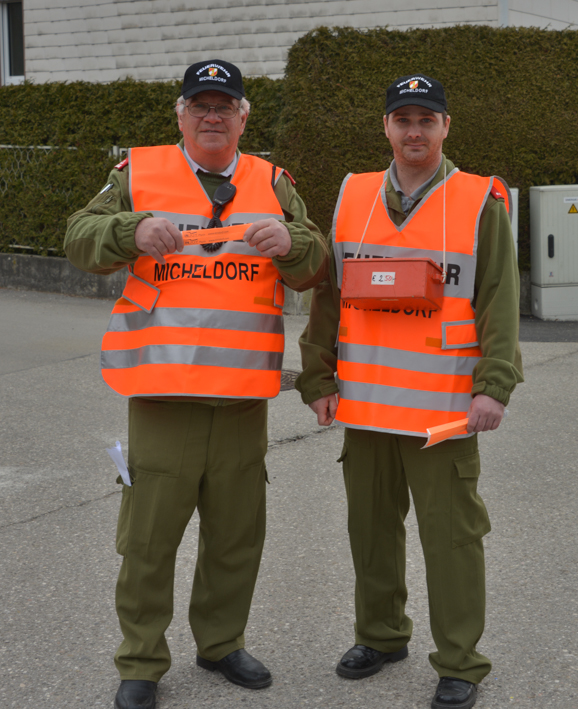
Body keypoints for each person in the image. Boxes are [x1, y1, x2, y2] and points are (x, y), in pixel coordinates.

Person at [64, 59, 328, 709]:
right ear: (180, 115)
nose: (213, 115)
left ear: (244, 117)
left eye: (225, 105)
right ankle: (141, 661)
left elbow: (317, 257)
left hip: (240, 398)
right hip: (163, 395)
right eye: (200, 105)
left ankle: (221, 643)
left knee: (236, 536)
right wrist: (131, 229)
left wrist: (290, 242)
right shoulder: (140, 174)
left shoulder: (273, 182)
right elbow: (79, 238)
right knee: (148, 540)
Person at [297, 74, 523, 709]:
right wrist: (317, 377)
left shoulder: (479, 200)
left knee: (451, 539)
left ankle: (460, 661)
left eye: (427, 120)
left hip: (445, 411)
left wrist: (494, 387)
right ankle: (382, 635)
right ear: (387, 127)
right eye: (404, 120)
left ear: (446, 127)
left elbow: (498, 303)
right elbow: (329, 297)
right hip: (365, 406)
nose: (414, 131)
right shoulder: (354, 195)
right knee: (370, 530)